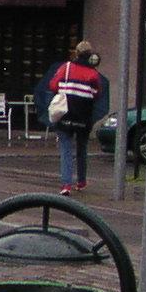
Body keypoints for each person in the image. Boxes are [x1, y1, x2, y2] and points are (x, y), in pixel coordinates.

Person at [46, 40, 103, 193]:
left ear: (76, 53)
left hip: (66, 114)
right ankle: (81, 181)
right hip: (84, 117)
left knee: (66, 148)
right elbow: (97, 94)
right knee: (82, 148)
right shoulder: (93, 73)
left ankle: (66, 184)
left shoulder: (66, 68)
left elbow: (53, 85)